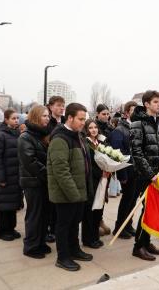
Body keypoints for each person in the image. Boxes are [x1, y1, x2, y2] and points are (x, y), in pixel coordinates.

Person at [48, 102, 94, 272]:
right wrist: (74, 194)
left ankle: (74, 249)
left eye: (84, 119)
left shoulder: (78, 136)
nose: (83, 123)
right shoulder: (60, 139)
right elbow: (61, 171)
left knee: (75, 223)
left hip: (78, 191)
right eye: (80, 119)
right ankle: (63, 257)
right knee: (64, 225)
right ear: (70, 118)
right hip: (66, 193)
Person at [130, 90, 159, 261]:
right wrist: (150, 174)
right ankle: (138, 246)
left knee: (153, 210)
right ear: (146, 104)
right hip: (145, 175)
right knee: (147, 211)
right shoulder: (137, 123)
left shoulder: (157, 122)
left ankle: (147, 242)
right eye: (155, 102)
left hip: (157, 173)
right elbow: (136, 152)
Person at [18, 105, 51, 259]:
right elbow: (30, 162)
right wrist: (49, 174)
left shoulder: (42, 135)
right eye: (44, 116)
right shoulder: (25, 137)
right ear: (36, 117)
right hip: (33, 182)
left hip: (43, 181)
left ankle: (40, 242)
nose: (47, 118)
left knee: (44, 215)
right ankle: (30, 246)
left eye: (48, 116)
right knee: (34, 215)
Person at [0, 109, 22, 241]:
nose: (16, 121)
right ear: (6, 120)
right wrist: (1, 178)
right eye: (13, 118)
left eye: (17, 118)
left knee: (12, 204)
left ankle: (11, 228)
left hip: (15, 175)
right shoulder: (0, 135)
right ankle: (2, 231)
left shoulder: (17, 133)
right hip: (5, 176)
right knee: (4, 205)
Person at [110, 100, 138, 239]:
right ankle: (119, 227)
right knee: (126, 200)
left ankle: (128, 224)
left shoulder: (136, 127)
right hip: (127, 171)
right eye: (133, 110)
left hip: (136, 170)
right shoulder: (119, 130)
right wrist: (122, 175)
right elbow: (117, 154)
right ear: (127, 113)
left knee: (132, 200)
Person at [81, 119, 108, 249]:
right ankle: (88, 239)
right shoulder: (85, 143)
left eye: (95, 127)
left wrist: (108, 170)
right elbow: (88, 164)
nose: (93, 130)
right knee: (90, 211)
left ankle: (95, 236)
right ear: (86, 129)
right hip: (91, 180)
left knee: (99, 209)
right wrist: (100, 172)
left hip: (102, 180)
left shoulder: (101, 142)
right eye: (90, 128)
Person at [45, 95, 66, 243]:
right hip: (51, 164)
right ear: (51, 107)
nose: (61, 108)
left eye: (63, 105)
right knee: (50, 202)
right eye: (58, 105)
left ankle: (57, 227)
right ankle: (49, 228)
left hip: (64, 163)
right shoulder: (47, 123)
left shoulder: (65, 122)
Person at [94, 103, 113, 235]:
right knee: (96, 195)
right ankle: (94, 223)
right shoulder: (94, 127)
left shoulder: (110, 128)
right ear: (97, 114)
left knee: (103, 196)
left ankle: (100, 219)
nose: (106, 116)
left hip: (108, 167)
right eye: (103, 114)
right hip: (97, 167)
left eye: (107, 114)